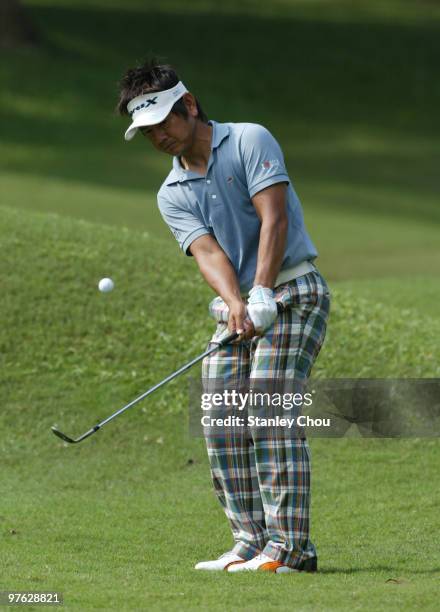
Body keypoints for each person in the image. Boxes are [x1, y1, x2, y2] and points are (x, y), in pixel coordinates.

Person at [117, 59, 330, 574]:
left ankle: (290, 550)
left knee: (267, 413)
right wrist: (237, 303)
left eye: (163, 123)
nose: (158, 138)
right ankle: (252, 542)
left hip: (294, 290)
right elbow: (209, 254)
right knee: (220, 419)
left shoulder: (250, 140)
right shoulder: (171, 194)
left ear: (188, 105)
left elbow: (273, 216)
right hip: (240, 306)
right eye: (146, 132)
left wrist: (261, 291)